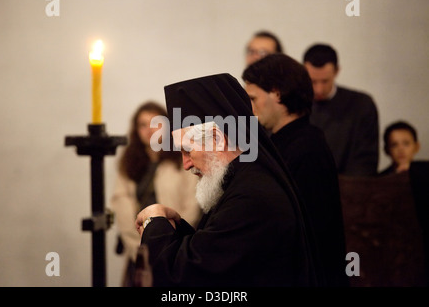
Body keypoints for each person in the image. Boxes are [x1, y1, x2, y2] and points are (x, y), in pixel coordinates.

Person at [134, 73, 321, 287]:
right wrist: (176, 228)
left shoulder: (252, 197)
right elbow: (217, 253)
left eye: (188, 151)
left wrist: (154, 222)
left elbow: (189, 276)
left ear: (216, 139)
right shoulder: (242, 180)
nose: (186, 164)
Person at [242, 53, 349, 287]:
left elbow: (303, 230)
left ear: (277, 93)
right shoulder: (286, 143)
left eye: (253, 98)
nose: (249, 108)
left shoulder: (306, 148)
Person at [110, 101, 201, 285]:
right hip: (139, 249)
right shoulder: (129, 162)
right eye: (143, 125)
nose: (149, 130)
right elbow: (121, 205)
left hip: (177, 248)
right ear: (136, 130)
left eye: (155, 123)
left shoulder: (181, 158)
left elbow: (192, 205)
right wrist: (141, 250)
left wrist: (171, 245)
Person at [303, 43, 379, 176]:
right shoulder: (294, 105)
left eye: (325, 81)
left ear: (337, 71)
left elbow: (366, 159)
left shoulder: (361, 105)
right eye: (313, 81)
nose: (318, 89)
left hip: (350, 190)